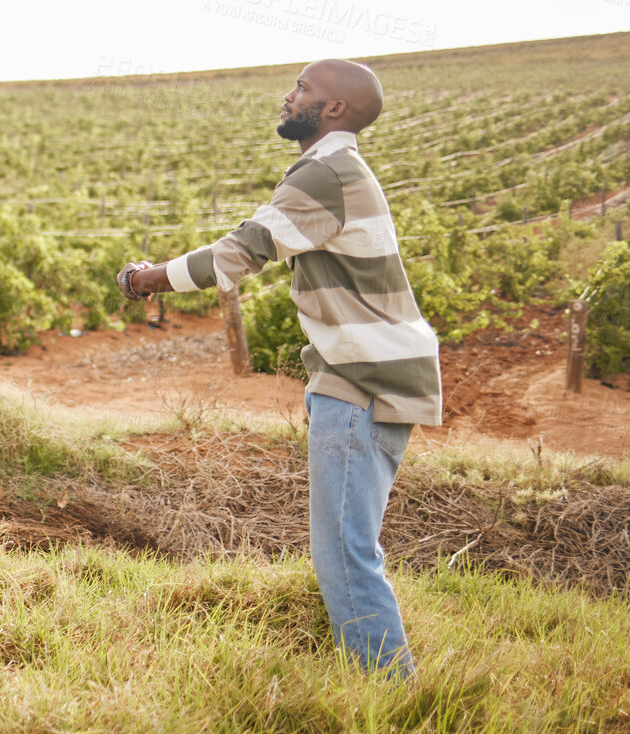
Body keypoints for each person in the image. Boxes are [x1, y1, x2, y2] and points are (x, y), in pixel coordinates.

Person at [116, 58, 440, 677]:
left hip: (362, 380)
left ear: (334, 109)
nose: (288, 97)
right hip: (376, 374)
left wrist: (143, 280)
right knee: (350, 547)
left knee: (344, 553)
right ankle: (382, 683)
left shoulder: (328, 174)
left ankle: (393, 696)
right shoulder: (341, 172)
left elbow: (239, 252)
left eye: (303, 88)